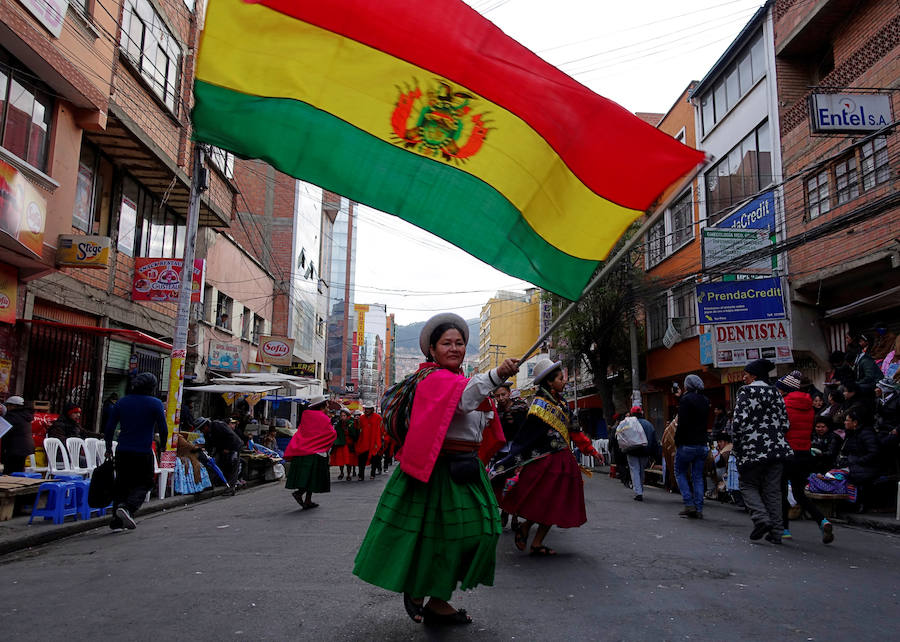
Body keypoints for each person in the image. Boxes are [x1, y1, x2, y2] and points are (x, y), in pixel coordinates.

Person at [354, 312, 517, 627]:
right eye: (446, 343)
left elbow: (476, 416)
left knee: (480, 533)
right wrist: (497, 374)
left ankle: (437, 599)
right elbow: (465, 400)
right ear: (432, 349)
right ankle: (425, 594)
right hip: (434, 469)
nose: (454, 348)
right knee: (440, 538)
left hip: (467, 469)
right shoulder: (433, 379)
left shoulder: (462, 381)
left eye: (459, 343)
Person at [491, 357, 602, 556]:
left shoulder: (562, 404)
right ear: (550, 382)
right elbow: (527, 437)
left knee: (556, 503)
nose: (564, 381)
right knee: (544, 501)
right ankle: (527, 529)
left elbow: (574, 431)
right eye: (560, 378)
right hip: (545, 462)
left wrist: (591, 450)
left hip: (564, 462)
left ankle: (535, 540)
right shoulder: (538, 406)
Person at [731, 359, 793, 544]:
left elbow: (738, 423)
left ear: (754, 376)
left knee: (747, 485)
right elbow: (785, 423)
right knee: (773, 490)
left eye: (746, 375)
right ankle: (777, 532)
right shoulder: (775, 393)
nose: (744, 378)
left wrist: (737, 446)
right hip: (777, 450)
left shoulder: (746, 392)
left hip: (752, 450)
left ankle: (760, 518)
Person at [775, 371, 834, 544]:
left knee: (782, 491)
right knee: (800, 493)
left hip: (787, 453)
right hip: (805, 454)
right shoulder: (809, 406)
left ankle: (784, 529)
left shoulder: (783, 405)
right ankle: (822, 520)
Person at [103, 372, 167, 530]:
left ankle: (116, 522)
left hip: (122, 450)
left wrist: (108, 447)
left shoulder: (122, 402)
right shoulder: (155, 403)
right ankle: (128, 507)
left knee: (121, 484)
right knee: (146, 482)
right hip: (143, 451)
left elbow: (109, 427)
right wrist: (163, 446)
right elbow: (163, 428)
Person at [284, 395, 336, 508]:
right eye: (327, 406)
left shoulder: (306, 415)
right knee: (312, 478)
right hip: (316, 452)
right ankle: (299, 493)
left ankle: (308, 500)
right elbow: (331, 434)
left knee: (307, 476)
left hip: (302, 450)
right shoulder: (324, 418)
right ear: (322, 407)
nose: (328, 409)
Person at [492, 381, 528, 529]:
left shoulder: (520, 409)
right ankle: (505, 511)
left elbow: (525, 430)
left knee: (516, 484)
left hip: (518, 451)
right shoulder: (495, 412)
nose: (501, 398)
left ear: (509, 393)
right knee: (500, 483)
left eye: (503, 394)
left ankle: (514, 515)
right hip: (501, 452)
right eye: (497, 396)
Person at [674, 374, 710, 518]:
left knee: (680, 472)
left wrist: (677, 441)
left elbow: (682, 423)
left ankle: (689, 503)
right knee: (698, 477)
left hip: (687, 443)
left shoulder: (685, 400)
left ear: (687, 386)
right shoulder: (705, 400)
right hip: (702, 443)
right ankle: (699, 508)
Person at [199, 417, 244, 491]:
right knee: (214, 464)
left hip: (233, 446)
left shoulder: (218, 425)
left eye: (202, 429)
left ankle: (231, 488)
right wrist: (208, 455)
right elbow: (209, 445)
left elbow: (231, 437)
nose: (201, 431)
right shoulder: (207, 433)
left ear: (206, 426)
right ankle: (211, 484)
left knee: (233, 465)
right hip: (221, 448)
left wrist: (228, 448)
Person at [624, 406, 659, 502]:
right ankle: (640, 489)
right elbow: (654, 440)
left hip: (632, 451)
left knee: (634, 470)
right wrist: (655, 454)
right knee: (641, 470)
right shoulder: (648, 424)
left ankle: (638, 492)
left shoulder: (629, 423)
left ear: (632, 414)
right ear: (641, 413)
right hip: (645, 451)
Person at [1, 396, 35, 474]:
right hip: (25, 448)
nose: (7, 408)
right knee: (18, 471)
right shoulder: (25, 415)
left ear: (13, 406)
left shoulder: (12, 416)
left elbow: (5, 432)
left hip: (14, 448)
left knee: (9, 472)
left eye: (8, 405)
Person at [356, 403, 383, 480]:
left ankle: (373, 473)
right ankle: (361, 475)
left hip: (374, 441)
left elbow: (382, 429)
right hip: (363, 441)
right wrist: (356, 421)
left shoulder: (378, 417)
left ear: (372, 409)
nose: (367, 410)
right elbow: (358, 428)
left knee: (374, 459)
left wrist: (380, 440)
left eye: (368, 408)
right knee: (361, 459)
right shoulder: (361, 418)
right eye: (366, 409)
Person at [330, 408, 357, 480]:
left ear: (347, 416)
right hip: (341, 443)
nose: (342, 417)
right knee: (341, 460)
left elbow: (354, 434)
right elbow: (336, 433)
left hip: (349, 444)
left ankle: (348, 474)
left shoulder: (351, 423)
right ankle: (341, 472)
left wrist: (349, 430)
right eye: (341, 416)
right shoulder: (338, 424)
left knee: (349, 460)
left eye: (344, 416)